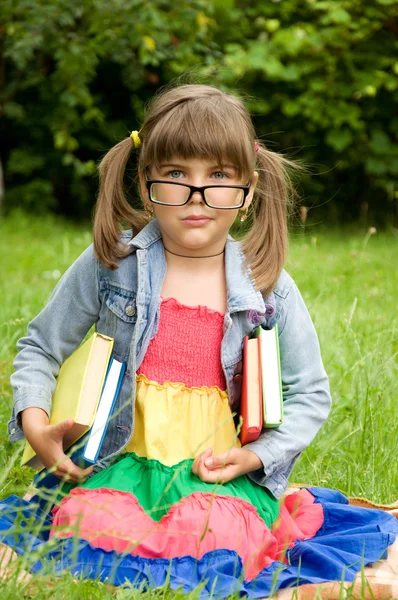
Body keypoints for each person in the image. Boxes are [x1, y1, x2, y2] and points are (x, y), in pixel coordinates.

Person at [2, 84, 397, 597]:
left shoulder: (266, 284)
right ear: (147, 184)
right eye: (175, 175)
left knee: (214, 536)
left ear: (248, 189)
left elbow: (310, 393)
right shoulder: (113, 265)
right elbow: (40, 347)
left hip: (214, 474)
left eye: (218, 177)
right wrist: (35, 422)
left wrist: (256, 458)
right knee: (94, 526)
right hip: (120, 465)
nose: (195, 196)